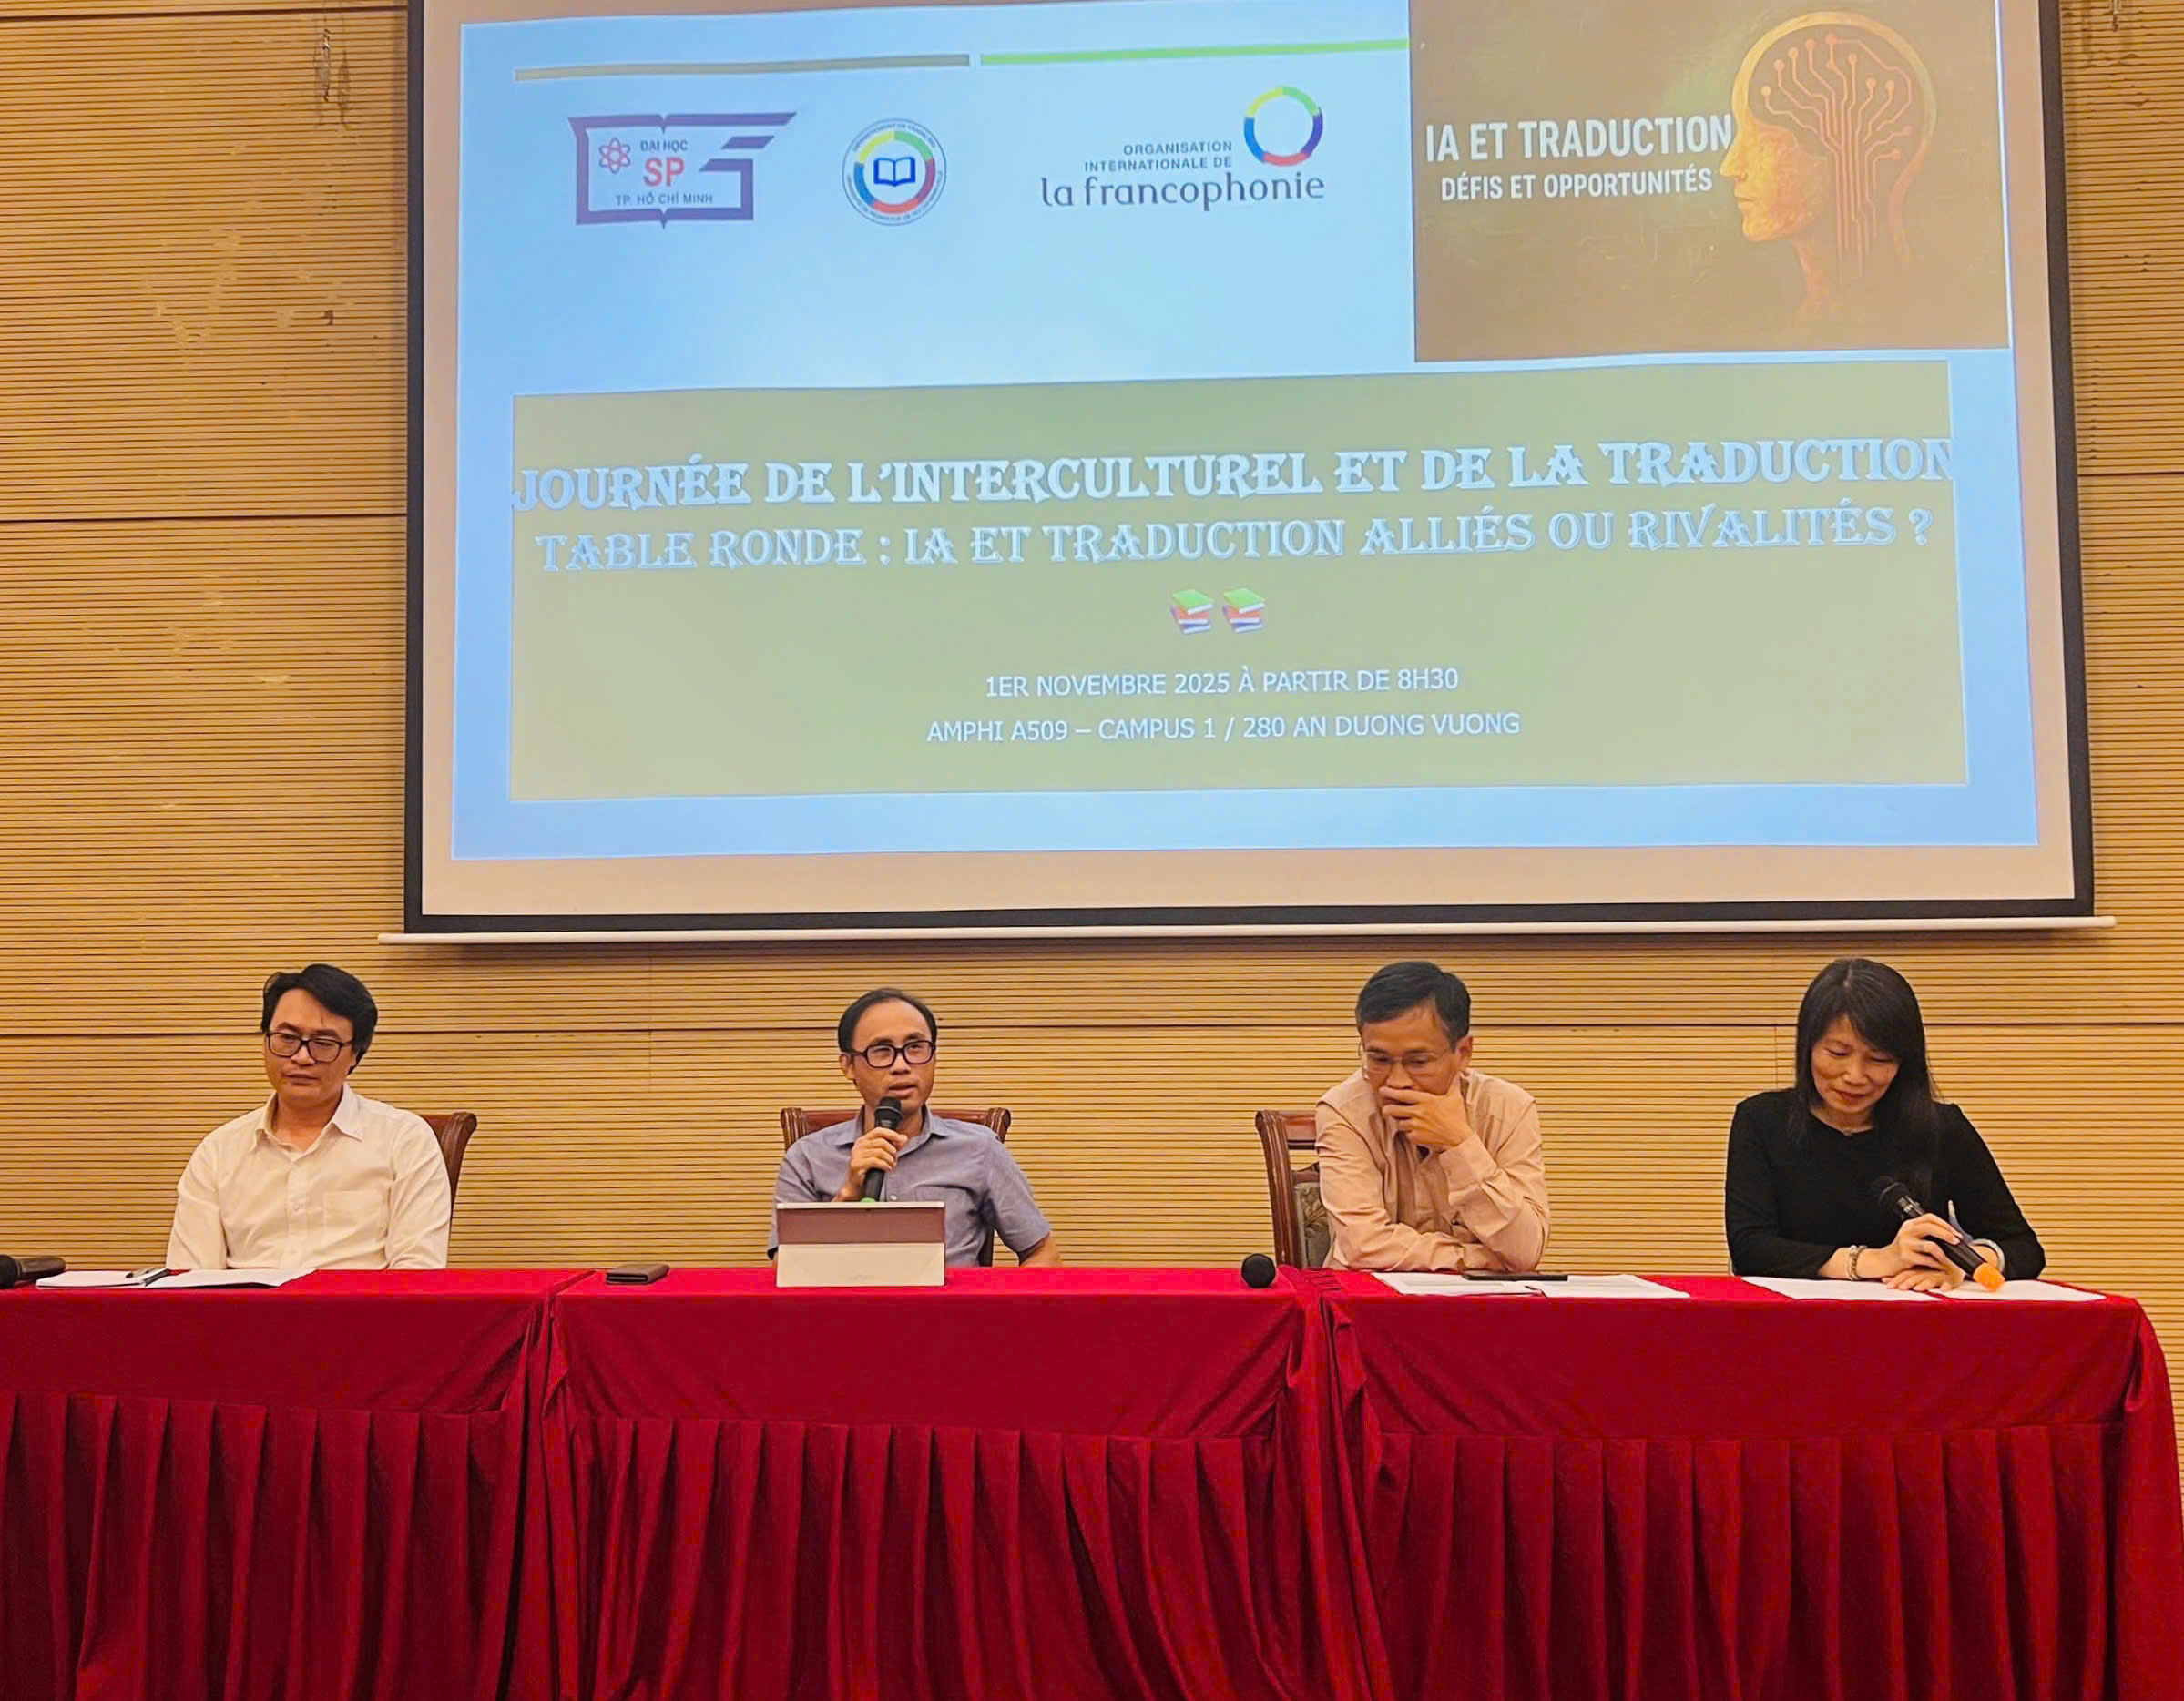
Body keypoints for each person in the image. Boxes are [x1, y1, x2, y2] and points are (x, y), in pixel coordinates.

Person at [1726, 958, 2043, 1288]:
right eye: (1837, 1053)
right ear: (1808, 1047)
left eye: (1878, 1059)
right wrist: (1874, 1261)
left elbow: (2023, 1247)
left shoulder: (1942, 1127)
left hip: (1911, 1312)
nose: (1855, 1076)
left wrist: (1960, 1263)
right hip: (1794, 1313)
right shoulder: (1762, 1121)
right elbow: (1751, 1249)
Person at [168, 965, 452, 1270]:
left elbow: (417, 1273)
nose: (301, 1057)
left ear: (355, 1053)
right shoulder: (218, 1152)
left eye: (323, 1043)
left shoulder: (405, 1141)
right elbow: (190, 1278)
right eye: (287, 1038)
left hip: (363, 1302)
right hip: (246, 1303)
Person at [773, 988, 1059, 1267]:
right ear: (848, 1066)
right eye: (882, 1051)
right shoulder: (807, 1157)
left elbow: (1043, 1253)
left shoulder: (980, 1149)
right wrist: (847, 1195)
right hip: (844, 1300)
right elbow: (784, 1271)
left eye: (915, 1048)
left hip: (950, 1300)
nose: (901, 1066)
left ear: (934, 1057)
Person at [1314, 961, 1549, 1271]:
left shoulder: (1508, 1108)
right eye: (1379, 1060)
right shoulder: (1344, 1110)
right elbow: (1362, 1247)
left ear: (1463, 1053)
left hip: (1481, 1301)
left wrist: (1458, 1144)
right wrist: (1481, 1258)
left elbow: (1525, 1248)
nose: (1397, 1082)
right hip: (1369, 1297)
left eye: (1419, 1062)